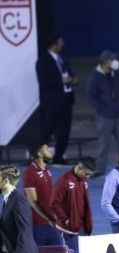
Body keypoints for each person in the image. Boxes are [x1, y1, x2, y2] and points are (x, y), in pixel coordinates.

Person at [51, 157, 95, 253]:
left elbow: (84, 205)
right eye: (87, 173)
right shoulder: (65, 180)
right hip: (68, 230)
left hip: (81, 228)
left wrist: (88, 224)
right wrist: (66, 220)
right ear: (80, 167)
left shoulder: (83, 182)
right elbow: (54, 202)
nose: (88, 177)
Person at [86, 50, 119, 178]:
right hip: (105, 117)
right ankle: (100, 169)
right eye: (112, 60)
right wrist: (102, 109)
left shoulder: (117, 74)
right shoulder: (95, 77)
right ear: (105, 62)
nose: (115, 62)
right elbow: (91, 96)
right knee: (103, 144)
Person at [35, 34, 78, 165]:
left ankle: (59, 156)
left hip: (66, 100)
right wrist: (61, 81)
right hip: (52, 102)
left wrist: (73, 79)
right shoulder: (43, 61)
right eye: (60, 42)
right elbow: (44, 81)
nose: (63, 45)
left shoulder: (63, 59)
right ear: (53, 44)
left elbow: (69, 75)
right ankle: (41, 157)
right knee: (48, 130)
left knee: (65, 130)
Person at [22, 142, 63, 246]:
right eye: (47, 149)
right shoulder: (30, 173)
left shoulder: (46, 171)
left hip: (50, 224)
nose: (50, 151)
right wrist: (48, 217)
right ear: (40, 154)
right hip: (37, 225)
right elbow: (33, 201)